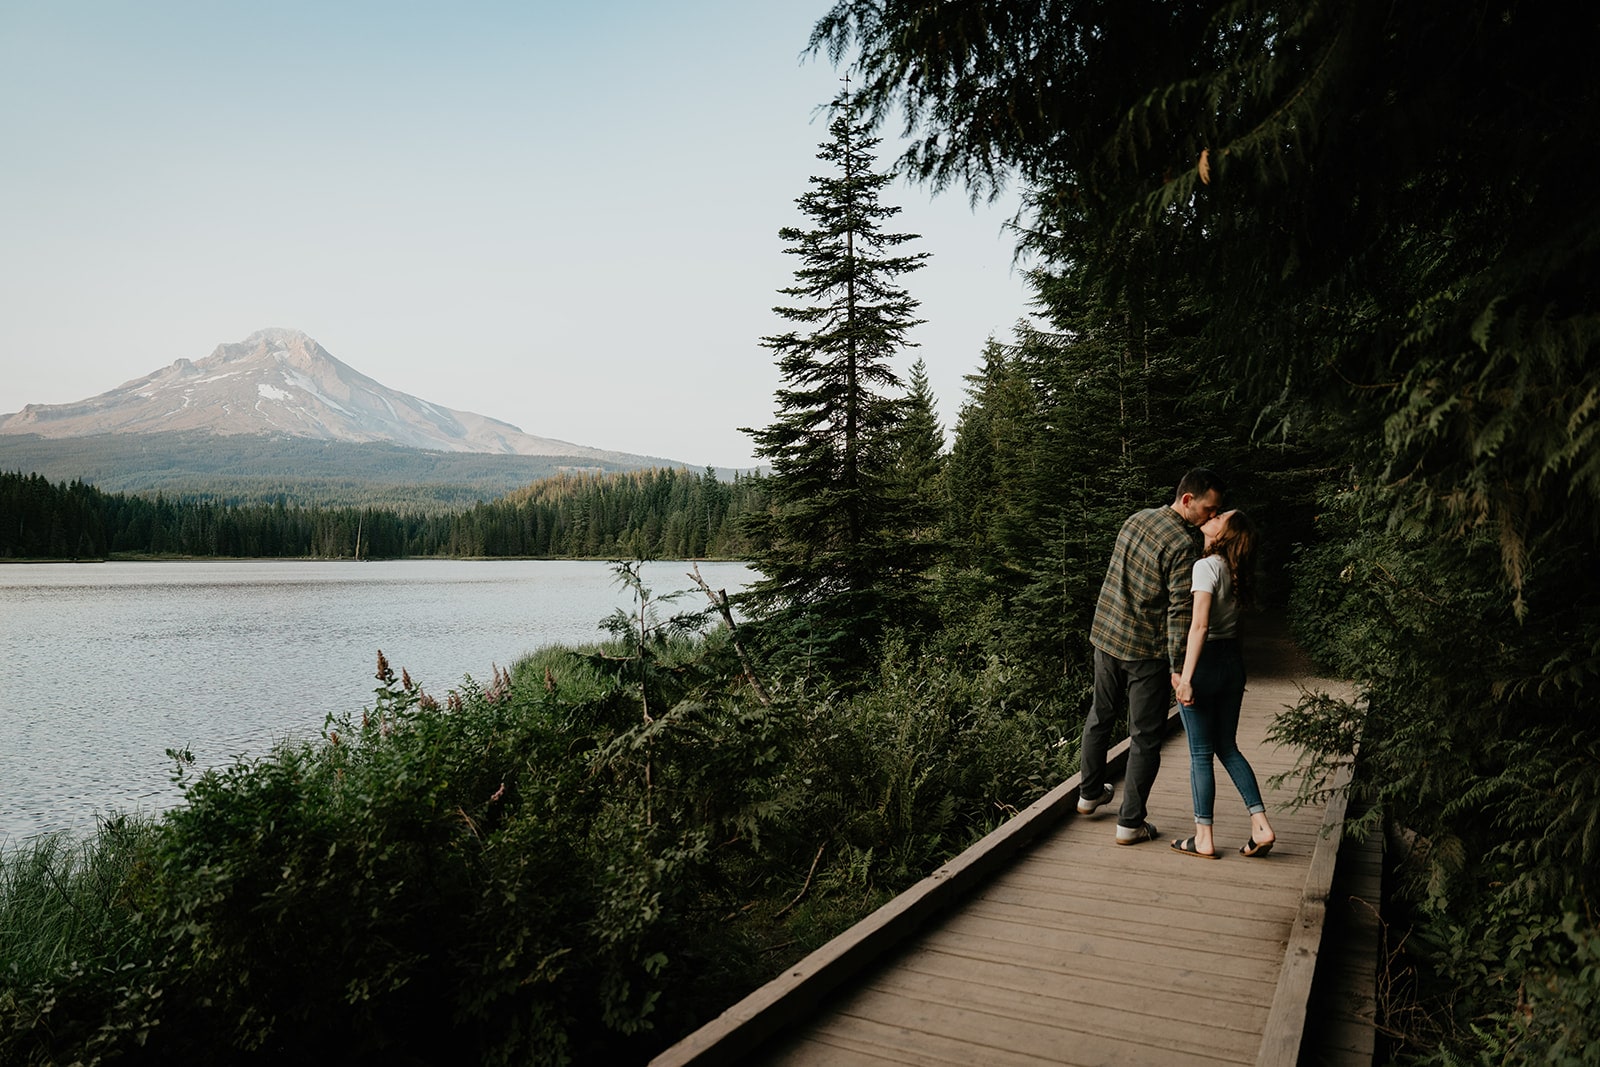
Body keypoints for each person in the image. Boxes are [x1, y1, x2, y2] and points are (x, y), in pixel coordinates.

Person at [1077, 468, 1226, 844]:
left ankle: (1089, 795)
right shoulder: (1183, 546)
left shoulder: (1135, 519)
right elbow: (1180, 612)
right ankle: (1130, 824)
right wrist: (1180, 669)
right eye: (1209, 509)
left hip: (1106, 637)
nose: (1211, 517)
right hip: (1145, 652)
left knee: (1100, 716)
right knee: (1144, 736)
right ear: (1188, 500)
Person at [1169, 509, 1277, 859]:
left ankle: (1203, 837)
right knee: (1227, 747)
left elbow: (1199, 627)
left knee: (1201, 753)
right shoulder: (1237, 570)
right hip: (1232, 664)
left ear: (1224, 534)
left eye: (1219, 518)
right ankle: (1260, 825)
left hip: (1206, 661)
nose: (1210, 518)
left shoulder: (1206, 567)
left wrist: (1185, 678)